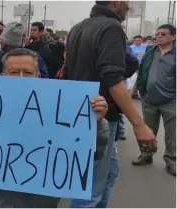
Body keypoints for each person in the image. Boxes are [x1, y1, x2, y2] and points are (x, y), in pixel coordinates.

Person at [0, 48, 110, 208]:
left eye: (27, 72)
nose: (21, 78)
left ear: (38, 76)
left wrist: (97, 122)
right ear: (2, 77)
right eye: (14, 72)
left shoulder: (59, 108)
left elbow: (96, 152)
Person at [64, 1, 156, 208]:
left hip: (82, 113)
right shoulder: (111, 27)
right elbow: (112, 75)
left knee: (108, 174)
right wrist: (138, 124)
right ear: (115, 2)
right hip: (100, 116)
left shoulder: (78, 27)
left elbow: (68, 72)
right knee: (90, 190)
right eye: (127, 2)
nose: (129, 7)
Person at [135, 24, 176, 176]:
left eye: (163, 34)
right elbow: (142, 72)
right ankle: (146, 156)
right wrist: (141, 89)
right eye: (157, 34)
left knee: (172, 133)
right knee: (148, 131)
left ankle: (171, 161)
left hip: (171, 101)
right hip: (149, 100)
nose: (158, 36)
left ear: (173, 36)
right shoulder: (150, 52)